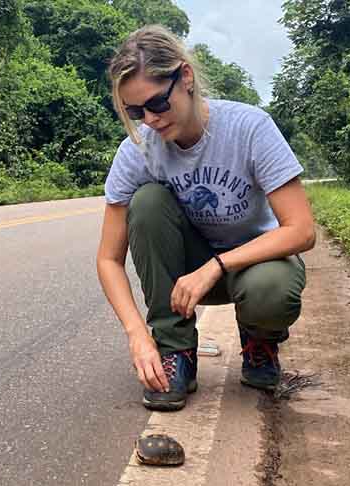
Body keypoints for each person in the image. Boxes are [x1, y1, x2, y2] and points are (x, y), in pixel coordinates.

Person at [96, 25, 316, 412]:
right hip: (186, 275)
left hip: (254, 265)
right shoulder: (137, 151)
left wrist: (218, 265)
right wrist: (137, 335)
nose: (150, 120)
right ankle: (175, 351)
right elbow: (108, 259)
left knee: (271, 289)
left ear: (185, 77)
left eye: (157, 104)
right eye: (135, 112)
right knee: (146, 202)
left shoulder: (249, 128)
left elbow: (301, 230)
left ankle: (259, 340)